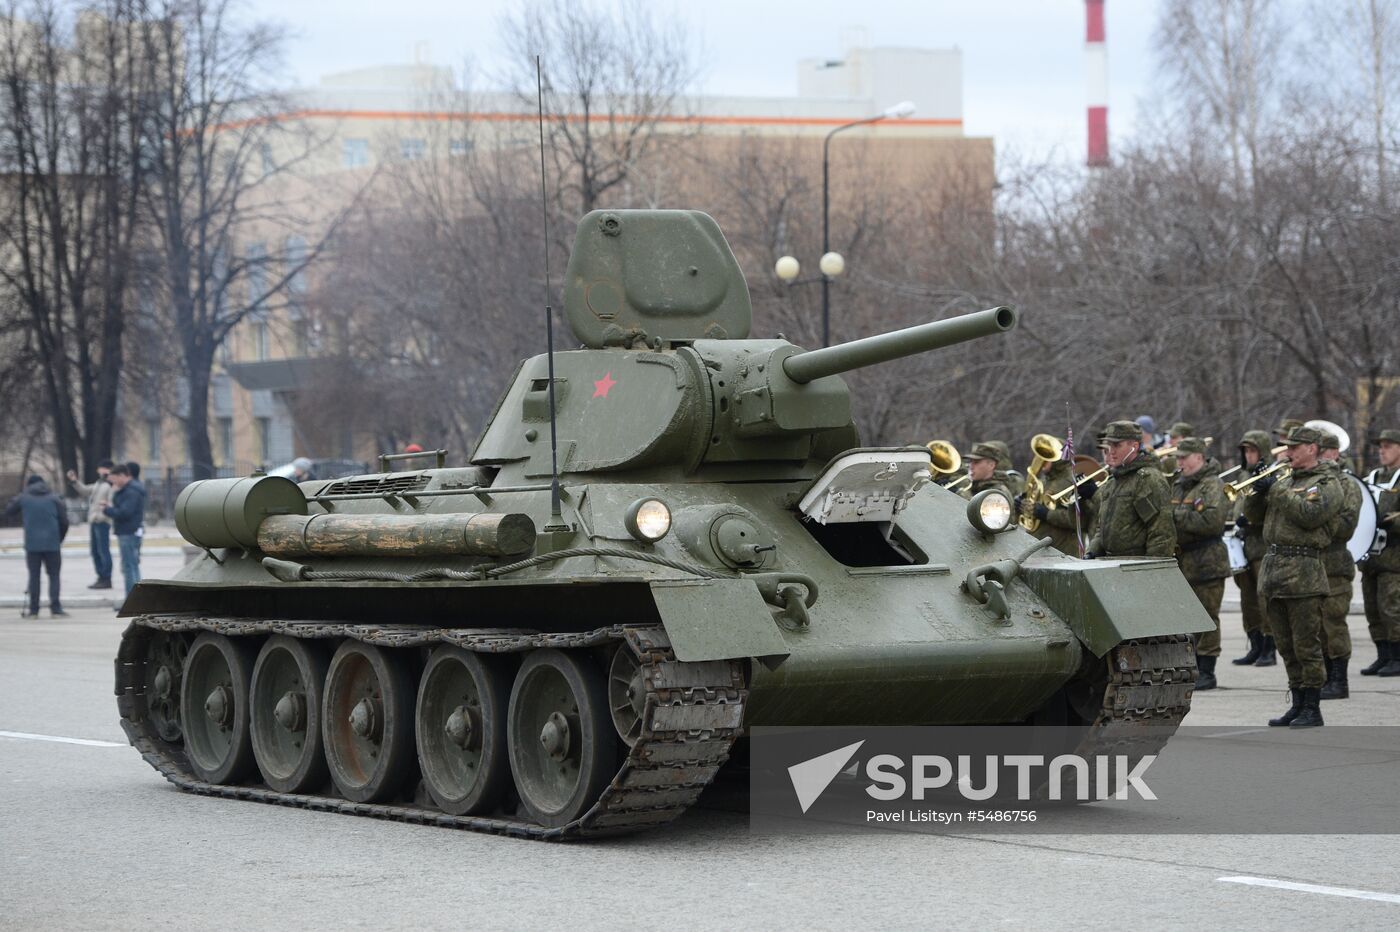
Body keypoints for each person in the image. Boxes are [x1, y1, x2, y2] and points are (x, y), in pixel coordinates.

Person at [1244, 425, 1343, 727]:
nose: (1287, 453)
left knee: (1306, 645)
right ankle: (1297, 702)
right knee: (1286, 646)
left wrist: (1275, 488)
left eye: (1293, 448)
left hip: (1303, 573)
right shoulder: (1286, 480)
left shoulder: (1327, 482)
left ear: (1312, 449)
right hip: (1274, 570)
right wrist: (1258, 491)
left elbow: (1310, 515)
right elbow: (1252, 515)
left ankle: (1312, 707)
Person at [1170, 438, 1229, 689]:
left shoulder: (1212, 484)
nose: (1180, 462)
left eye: (1184, 457)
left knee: (1207, 616)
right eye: (1178, 457)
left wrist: (1175, 516)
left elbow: (1211, 521)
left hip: (1207, 560)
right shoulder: (1179, 485)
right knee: (1186, 618)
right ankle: (1189, 665)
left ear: (1199, 457)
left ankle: (1207, 669)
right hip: (1183, 562)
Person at [1086, 420, 1176, 559]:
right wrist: (1092, 552)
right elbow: (1103, 527)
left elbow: (1161, 531)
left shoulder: (1147, 479)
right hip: (1110, 564)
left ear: (1134, 446)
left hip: (1135, 566)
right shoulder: (1113, 482)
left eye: (1117, 445)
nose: (1111, 451)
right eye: (1109, 445)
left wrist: (1152, 571)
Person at [1317, 429, 1360, 699]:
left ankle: (1339, 680)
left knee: (1334, 623)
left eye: (1323, 452)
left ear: (1334, 453)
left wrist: (1312, 524)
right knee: (1317, 625)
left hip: (1335, 564)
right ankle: (1324, 677)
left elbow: (1346, 525)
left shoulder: (1347, 484)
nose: (1319, 457)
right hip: (1313, 565)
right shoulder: (1313, 482)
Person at [1230, 431, 1277, 666]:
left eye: (1253, 451)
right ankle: (1255, 644)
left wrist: (1250, 520)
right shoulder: (1243, 475)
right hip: (1244, 546)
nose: (1249, 455)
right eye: (1246, 451)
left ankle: (1269, 648)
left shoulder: (1270, 475)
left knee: (1264, 599)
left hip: (1262, 546)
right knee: (1247, 600)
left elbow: (1272, 508)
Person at [1359, 428, 1400, 677]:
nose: (1381, 450)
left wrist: (1393, 522)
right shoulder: (1373, 477)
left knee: (1392, 608)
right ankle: (1383, 655)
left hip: (1394, 560)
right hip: (1371, 559)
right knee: (1373, 609)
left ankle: (1397, 657)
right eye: (1380, 446)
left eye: (1387, 445)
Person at [4, 475, 69, 617]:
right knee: (54, 576)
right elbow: (64, 521)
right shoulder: (54, 498)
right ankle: (56, 609)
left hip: (32, 545)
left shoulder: (24, 497)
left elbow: (8, 511)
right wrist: (59, 539)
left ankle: (34, 610)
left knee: (34, 576)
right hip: (52, 544)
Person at [1020, 447, 1094, 557]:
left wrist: (1046, 514)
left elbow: (1079, 519)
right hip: (1042, 550)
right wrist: (1022, 506)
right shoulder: (1045, 482)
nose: (1041, 460)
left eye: (1047, 457)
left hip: (1063, 551)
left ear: (1057, 460)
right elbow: (1034, 509)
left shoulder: (1071, 482)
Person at [104, 463, 147, 606]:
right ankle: (136, 598)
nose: (113, 483)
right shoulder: (130, 489)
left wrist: (108, 510)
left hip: (128, 531)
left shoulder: (131, 491)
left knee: (129, 566)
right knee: (132, 565)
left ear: (123, 475)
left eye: (115, 479)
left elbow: (124, 513)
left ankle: (131, 600)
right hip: (130, 531)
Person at [66, 460, 114, 589]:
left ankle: (106, 577)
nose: (100, 471)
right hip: (94, 521)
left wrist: (101, 516)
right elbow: (86, 490)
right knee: (95, 551)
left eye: (102, 469)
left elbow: (112, 503)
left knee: (103, 551)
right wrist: (74, 481)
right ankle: (101, 577)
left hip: (102, 521)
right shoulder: (100, 484)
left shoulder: (110, 485)